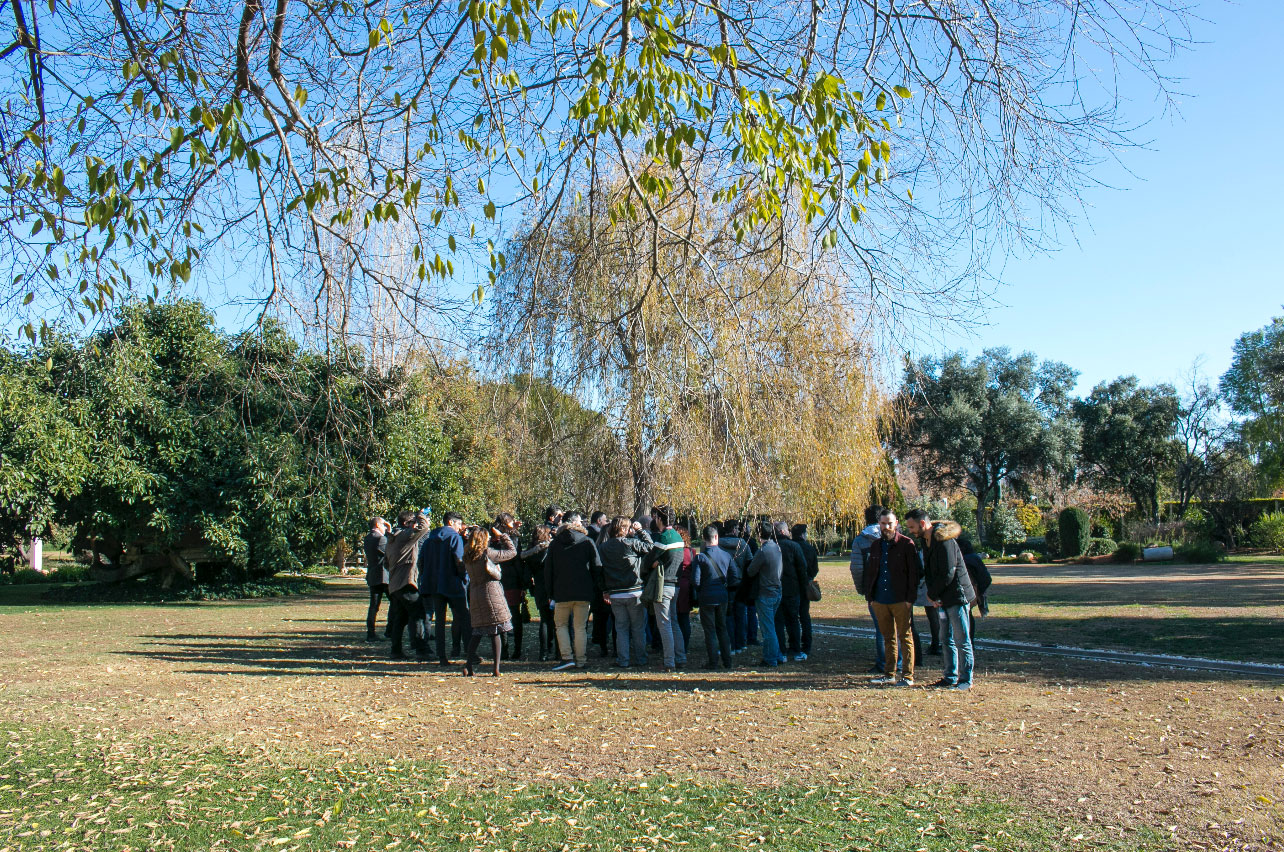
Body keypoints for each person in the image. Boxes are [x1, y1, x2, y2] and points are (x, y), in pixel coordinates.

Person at [905, 508, 976, 691]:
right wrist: (933, 594)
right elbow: (929, 571)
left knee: (962, 639)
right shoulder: (925, 541)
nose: (910, 531)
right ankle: (950, 676)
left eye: (912, 527)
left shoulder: (944, 540)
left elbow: (949, 572)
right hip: (942, 598)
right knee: (946, 638)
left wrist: (933, 594)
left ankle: (965, 679)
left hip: (957, 596)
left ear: (922, 523)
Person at [861, 508, 919, 686]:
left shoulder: (907, 544)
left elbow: (915, 573)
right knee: (888, 637)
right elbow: (871, 572)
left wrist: (910, 599)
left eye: (890, 523)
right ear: (879, 524)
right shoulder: (876, 545)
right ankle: (889, 674)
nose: (886, 527)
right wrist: (870, 597)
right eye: (883, 523)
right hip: (880, 599)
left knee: (905, 637)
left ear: (896, 524)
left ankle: (907, 676)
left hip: (901, 599)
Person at [545, 512, 602, 671]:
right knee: (580, 627)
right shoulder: (587, 541)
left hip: (561, 591)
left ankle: (567, 657)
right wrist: (592, 585)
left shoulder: (555, 543)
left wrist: (550, 593)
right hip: (583, 591)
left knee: (561, 625)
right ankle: (581, 659)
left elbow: (548, 570)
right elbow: (597, 567)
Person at [595, 517, 654, 668]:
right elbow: (650, 547)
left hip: (615, 592)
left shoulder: (603, 548)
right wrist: (640, 531)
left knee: (621, 628)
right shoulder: (631, 543)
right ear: (625, 529)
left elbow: (600, 571)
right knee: (638, 628)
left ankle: (623, 659)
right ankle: (640, 658)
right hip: (634, 591)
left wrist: (605, 590)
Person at [461, 526, 517, 677]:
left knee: (477, 631)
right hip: (490, 592)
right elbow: (512, 552)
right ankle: (496, 668)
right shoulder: (488, 553)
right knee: (495, 631)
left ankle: (468, 665)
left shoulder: (467, 554)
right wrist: (503, 536)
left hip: (475, 594)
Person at [642, 505, 687, 672]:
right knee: (673, 623)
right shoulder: (677, 536)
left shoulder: (664, 537)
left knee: (664, 624)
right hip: (675, 585)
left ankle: (669, 662)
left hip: (664, 586)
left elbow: (648, 560)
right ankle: (680, 657)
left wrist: (654, 563)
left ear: (660, 519)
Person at [385, 511, 433, 660]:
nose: (415, 525)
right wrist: (421, 515)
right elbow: (424, 528)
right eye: (413, 522)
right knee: (418, 615)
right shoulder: (404, 536)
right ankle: (421, 650)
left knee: (400, 618)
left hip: (395, 584)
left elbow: (386, 563)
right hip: (406, 582)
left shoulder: (391, 539)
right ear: (406, 524)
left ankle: (396, 650)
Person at [422, 511, 469, 665]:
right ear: (450, 522)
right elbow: (459, 560)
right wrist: (464, 577)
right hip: (453, 583)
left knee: (439, 621)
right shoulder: (454, 537)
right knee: (464, 617)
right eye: (458, 524)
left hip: (434, 584)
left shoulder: (429, 540)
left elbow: (421, 561)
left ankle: (441, 655)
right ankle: (470, 652)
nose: (460, 527)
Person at [692, 524, 736, 669]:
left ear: (704, 539)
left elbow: (696, 581)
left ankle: (713, 662)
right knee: (722, 628)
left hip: (706, 597)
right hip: (722, 596)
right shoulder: (726, 555)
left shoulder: (700, 558)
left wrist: (701, 591)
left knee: (710, 631)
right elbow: (734, 576)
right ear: (716, 537)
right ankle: (727, 661)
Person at [850, 506, 888, 673]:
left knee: (880, 628)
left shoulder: (861, 540)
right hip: (893, 586)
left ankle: (883, 663)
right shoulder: (893, 535)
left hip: (873, 587)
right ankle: (900, 661)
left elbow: (857, 568)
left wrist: (862, 588)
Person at [746, 521, 784, 667]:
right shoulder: (777, 547)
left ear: (758, 534)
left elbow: (751, 571)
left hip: (765, 592)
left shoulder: (763, 551)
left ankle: (770, 658)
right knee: (771, 626)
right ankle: (777, 655)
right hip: (777, 590)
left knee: (768, 629)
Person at [493, 513, 526, 660]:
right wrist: (523, 582)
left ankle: (504, 649)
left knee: (500, 616)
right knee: (515, 615)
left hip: (497, 579)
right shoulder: (513, 539)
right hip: (512, 580)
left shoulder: (492, 539)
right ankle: (516, 649)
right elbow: (517, 559)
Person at [521, 525, 556, 661]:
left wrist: (530, 587)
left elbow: (526, 575)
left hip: (539, 587)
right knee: (555, 620)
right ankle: (556, 650)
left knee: (544, 619)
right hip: (552, 586)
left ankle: (544, 652)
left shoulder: (530, 553)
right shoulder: (550, 549)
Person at [721, 519, 756, 654]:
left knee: (728, 614)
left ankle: (730, 643)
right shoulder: (743, 544)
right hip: (740, 582)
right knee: (740, 614)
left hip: (724, 582)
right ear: (734, 529)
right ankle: (741, 643)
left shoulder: (719, 544)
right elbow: (750, 562)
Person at [775, 522, 806, 662]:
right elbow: (802, 567)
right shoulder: (794, 546)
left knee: (779, 621)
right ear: (783, 531)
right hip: (792, 588)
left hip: (776, 587)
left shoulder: (772, 546)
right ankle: (795, 649)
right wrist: (803, 586)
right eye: (787, 529)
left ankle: (781, 650)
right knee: (793, 620)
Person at [585, 510, 613, 658]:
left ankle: (602, 645)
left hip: (597, 587)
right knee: (613, 618)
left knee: (600, 619)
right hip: (609, 587)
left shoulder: (595, 547)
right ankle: (614, 647)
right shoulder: (608, 549)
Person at [791, 523, 820, 659]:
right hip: (805, 584)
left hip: (792, 585)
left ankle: (794, 644)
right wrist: (809, 577)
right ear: (803, 534)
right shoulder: (809, 548)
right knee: (804, 616)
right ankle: (806, 644)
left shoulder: (789, 547)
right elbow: (815, 568)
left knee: (792, 617)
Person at [363, 517, 390, 642]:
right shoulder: (381, 539)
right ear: (378, 525)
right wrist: (389, 533)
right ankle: (390, 630)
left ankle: (371, 632)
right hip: (383, 576)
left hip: (373, 575)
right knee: (396, 602)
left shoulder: (368, 538)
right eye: (383, 525)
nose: (385, 527)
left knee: (373, 606)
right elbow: (390, 551)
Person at [959, 538, 993, 637]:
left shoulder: (965, 560)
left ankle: (968, 639)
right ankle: (970, 640)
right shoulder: (975, 558)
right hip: (975, 590)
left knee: (965, 615)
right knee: (968, 614)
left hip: (968, 590)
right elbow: (986, 578)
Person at [674, 525, 695, 653]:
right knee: (684, 618)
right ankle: (684, 645)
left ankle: (678, 646)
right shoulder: (691, 552)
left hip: (676, 585)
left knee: (675, 618)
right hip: (687, 587)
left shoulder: (675, 552)